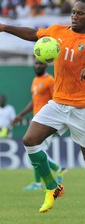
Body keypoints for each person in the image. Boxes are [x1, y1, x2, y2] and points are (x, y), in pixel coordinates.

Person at [0, 0, 85, 224]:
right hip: (58, 103)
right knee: (29, 140)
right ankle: (52, 187)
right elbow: (33, 34)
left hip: (84, 107)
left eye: (80, 13)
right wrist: (5, 27)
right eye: (74, 12)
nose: (75, 16)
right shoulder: (57, 31)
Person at [12, 58, 68, 190]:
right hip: (37, 120)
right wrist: (21, 115)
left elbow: (57, 98)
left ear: (46, 65)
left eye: (40, 63)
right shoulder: (35, 81)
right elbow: (34, 101)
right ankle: (50, 175)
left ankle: (57, 170)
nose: (38, 65)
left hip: (47, 121)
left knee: (36, 150)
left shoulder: (50, 80)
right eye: (36, 63)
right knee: (34, 150)